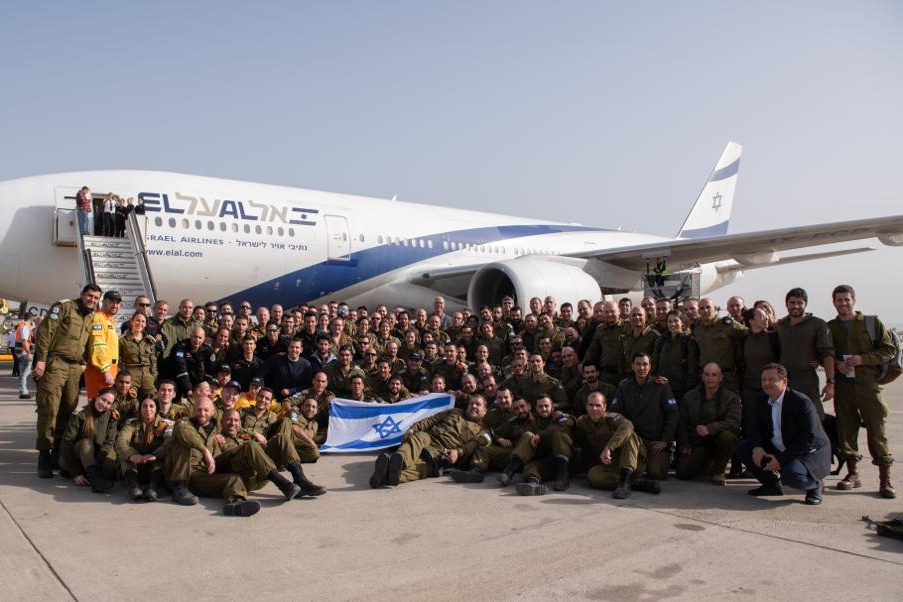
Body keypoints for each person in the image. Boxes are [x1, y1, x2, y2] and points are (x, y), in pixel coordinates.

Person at [828, 284, 896, 498]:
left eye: (846, 299)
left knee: (877, 430)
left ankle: (885, 479)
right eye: (839, 300)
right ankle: (853, 473)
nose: (843, 303)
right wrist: (836, 363)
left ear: (854, 301)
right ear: (834, 302)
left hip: (868, 384)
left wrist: (863, 359)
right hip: (844, 385)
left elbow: (889, 350)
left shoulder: (871, 323)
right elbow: (824, 353)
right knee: (846, 429)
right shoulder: (830, 327)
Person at [736, 363, 831, 505]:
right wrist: (757, 447)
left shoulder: (801, 402)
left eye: (771, 379)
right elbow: (757, 428)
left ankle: (814, 486)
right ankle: (772, 485)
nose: (766, 383)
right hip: (781, 446)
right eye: (763, 380)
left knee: (790, 474)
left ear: (784, 381)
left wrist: (780, 460)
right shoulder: (763, 400)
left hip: (805, 452)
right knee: (744, 448)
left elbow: (808, 438)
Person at [33, 283, 101, 477]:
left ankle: (57, 453)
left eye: (96, 298)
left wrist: (84, 363)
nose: (92, 300)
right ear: (82, 294)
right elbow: (45, 332)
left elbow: (87, 343)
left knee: (68, 410)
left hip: (74, 369)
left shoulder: (90, 317)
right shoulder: (64, 307)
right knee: (49, 409)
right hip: (56, 363)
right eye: (90, 296)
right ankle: (44, 454)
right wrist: (41, 360)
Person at [369, 396, 489, 488]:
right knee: (418, 437)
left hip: (442, 452)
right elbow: (431, 420)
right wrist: (413, 428)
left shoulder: (482, 430)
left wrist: (458, 452)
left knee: (422, 467)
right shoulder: (454, 411)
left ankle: (385, 477)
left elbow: (471, 447)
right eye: (471, 403)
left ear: (484, 411)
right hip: (430, 437)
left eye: (478, 404)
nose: (473, 406)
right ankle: (399, 461)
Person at [609, 352, 678, 480]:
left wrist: (665, 440)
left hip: (654, 441)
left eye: (645, 364)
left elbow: (673, 413)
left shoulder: (661, 386)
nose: (641, 368)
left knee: (657, 473)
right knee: (632, 472)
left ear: (650, 366)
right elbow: (615, 412)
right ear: (632, 366)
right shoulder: (624, 386)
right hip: (634, 439)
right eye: (638, 364)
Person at [775, 287, 835, 421]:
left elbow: (827, 353)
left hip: (807, 379)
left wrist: (830, 383)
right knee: (788, 419)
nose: (796, 306)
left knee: (815, 418)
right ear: (786, 304)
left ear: (805, 304)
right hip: (785, 380)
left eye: (800, 303)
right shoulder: (781, 325)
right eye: (792, 303)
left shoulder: (818, 324)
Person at [675, 363, 741, 485]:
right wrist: (684, 444)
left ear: (720, 377)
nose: (710, 378)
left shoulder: (731, 398)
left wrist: (710, 429)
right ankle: (708, 463)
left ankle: (718, 471)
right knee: (683, 472)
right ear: (702, 377)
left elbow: (734, 422)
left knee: (728, 437)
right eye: (707, 374)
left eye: (714, 375)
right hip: (699, 442)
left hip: (719, 440)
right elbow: (682, 424)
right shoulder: (689, 397)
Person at [59, 387, 119, 493]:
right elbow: (66, 443)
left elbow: (109, 441)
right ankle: (95, 480)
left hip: (97, 454)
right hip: (77, 455)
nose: (104, 404)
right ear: (97, 396)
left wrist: (100, 462)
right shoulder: (80, 414)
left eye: (109, 403)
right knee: (86, 443)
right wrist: (75, 473)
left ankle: (93, 472)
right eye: (103, 399)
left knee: (112, 467)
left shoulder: (112, 417)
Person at [114, 395, 170, 500]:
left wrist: (155, 455)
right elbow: (121, 441)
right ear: (140, 409)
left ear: (157, 409)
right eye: (144, 406)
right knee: (125, 457)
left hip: (154, 466)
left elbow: (169, 442)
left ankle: (153, 488)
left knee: (161, 458)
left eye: (151, 406)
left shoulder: (165, 424)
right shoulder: (132, 424)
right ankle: (133, 487)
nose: (148, 409)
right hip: (136, 466)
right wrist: (132, 455)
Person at [84, 290, 121, 399]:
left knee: (106, 404)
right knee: (98, 403)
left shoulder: (109, 320)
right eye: (112, 301)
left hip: (109, 368)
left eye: (118, 302)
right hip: (100, 370)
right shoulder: (99, 319)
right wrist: (105, 371)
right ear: (104, 302)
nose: (115, 305)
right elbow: (98, 346)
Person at [119, 311, 158, 398]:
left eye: (143, 321)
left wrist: (153, 375)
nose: (140, 323)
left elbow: (153, 359)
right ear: (132, 321)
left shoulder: (149, 340)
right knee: (129, 398)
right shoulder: (122, 340)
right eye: (137, 320)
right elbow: (117, 359)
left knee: (152, 398)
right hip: (130, 373)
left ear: (145, 324)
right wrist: (122, 376)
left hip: (147, 374)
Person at [14, 311, 35, 399]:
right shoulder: (25, 327)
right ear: (31, 318)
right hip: (24, 353)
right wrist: (28, 353)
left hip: (20, 352)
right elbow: (24, 341)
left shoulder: (21, 325)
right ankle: (23, 392)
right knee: (24, 373)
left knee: (23, 373)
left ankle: (23, 391)